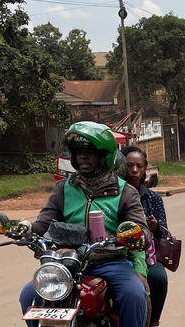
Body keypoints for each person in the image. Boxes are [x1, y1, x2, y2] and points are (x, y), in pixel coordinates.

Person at [19, 122, 151, 327]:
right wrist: (26, 228)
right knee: (28, 295)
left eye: (89, 152)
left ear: (104, 156)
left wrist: (136, 235)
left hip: (110, 262)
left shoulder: (125, 192)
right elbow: (44, 222)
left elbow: (140, 228)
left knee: (134, 295)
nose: (82, 157)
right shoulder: (63, 188)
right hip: (68, 263)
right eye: (78, 152)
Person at [122, 147, 169, 327]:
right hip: (117, 249)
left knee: (158, 278)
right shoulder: (113, 194)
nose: (134, 170)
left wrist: (155, 227)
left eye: (139, 166)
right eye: (129, 165)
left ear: (144, 169)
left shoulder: (153, 198)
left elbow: (164, 231)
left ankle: (154, 321)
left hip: (147, 253)